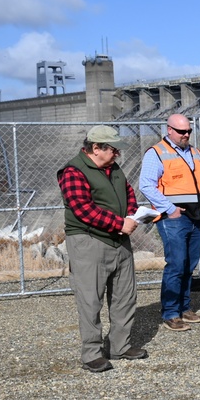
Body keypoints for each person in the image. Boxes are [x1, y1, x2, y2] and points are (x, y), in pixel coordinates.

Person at [58, 125, 146, 373]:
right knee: (90, 300)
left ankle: (120, 346)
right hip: (89, 241)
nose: (117, 154)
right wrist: (120, 223)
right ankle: (92, 354)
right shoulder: (73, 171)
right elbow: (82, 209)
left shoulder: (112, 168)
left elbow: (128, 193)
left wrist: (132, 215)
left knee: (125, 296)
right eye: (113, 149)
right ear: (96, 148)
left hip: (118, 239)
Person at [139, 113, 200, 332]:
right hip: (174, 219)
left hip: (196, 216)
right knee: (177, 264)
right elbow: (146, 185)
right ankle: (171, 312)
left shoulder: (196, 153)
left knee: (189, 265)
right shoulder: (157, 153)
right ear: (169, 130)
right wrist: (170, 210)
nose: (186, 135)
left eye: (189, 131)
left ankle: (185, 308)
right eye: (181, 132)